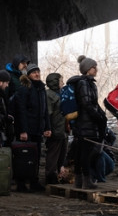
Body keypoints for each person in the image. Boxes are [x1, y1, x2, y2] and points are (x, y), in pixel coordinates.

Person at [67, 55, 107, 189]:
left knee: (81, 152)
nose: (96, 69)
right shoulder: (84, 83)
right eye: (94, 67)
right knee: (85, 153)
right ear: (87, 69)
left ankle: (79, 181)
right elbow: (87, 103)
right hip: (86, 123)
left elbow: (93, 103)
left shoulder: (88, 83)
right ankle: (86, 181)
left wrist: (102, 115)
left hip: (85, 123)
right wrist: (98, 117)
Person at [13, 63, 52, 191]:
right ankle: (21, 183)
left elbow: (45, 110)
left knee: (36, 157)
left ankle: (34, 181)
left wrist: (47, 127)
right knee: (23, 157)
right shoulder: (24, 88)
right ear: (28, 74)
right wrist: (23, 130)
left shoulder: (41, 89)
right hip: (27, 129)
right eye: (34, 72)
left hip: (37, 129)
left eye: (38, 72)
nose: (37, 74)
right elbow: (21, 111)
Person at [44, 72, 68, 185]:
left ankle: (59, 175)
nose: (63, 83)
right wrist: (48, 129)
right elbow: (47, 114)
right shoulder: (49, 95)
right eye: (61, 80)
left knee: (61, 154)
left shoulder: (59, 94)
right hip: (54, 129)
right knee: (53, 154)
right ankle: (50, 176)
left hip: (62, 129)